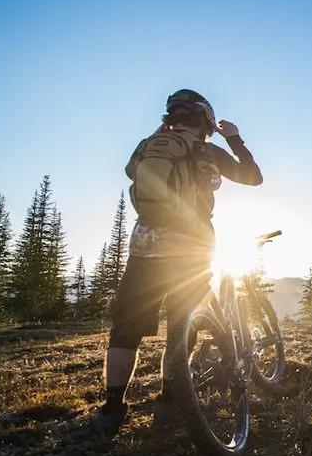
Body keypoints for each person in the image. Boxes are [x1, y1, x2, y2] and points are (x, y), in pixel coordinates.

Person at [91, 89, 263, 435]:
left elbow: (130, 172)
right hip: (191, 247)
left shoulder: (149, 144)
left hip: (145, 243)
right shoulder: (207, 149)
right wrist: (234, 139)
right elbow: (253, 177)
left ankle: (112, 406)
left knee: (126, 328)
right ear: (205, 122)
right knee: (183, 325)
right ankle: (170, 396)